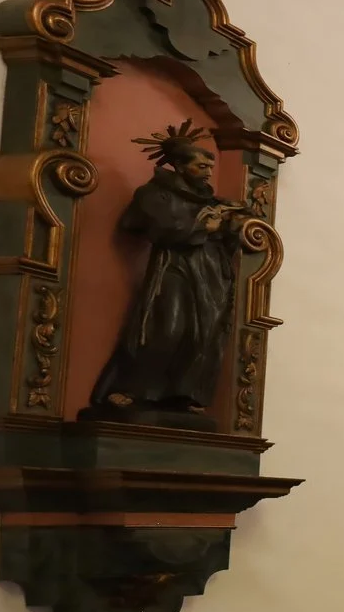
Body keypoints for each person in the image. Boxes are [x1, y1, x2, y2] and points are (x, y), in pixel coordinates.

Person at [87, 120, 245, 423]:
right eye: (201, 166)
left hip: (211, 271)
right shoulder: (155, 194)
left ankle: (182, 395)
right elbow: (154, 228)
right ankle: (132, 390)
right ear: (180, 166)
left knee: (205, 334)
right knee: (167, 327)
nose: (209, 172)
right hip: (175, 265)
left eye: (210, 166)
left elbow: (228, 237)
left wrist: (230, 226)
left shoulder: (211, 200)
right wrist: (203, 225)